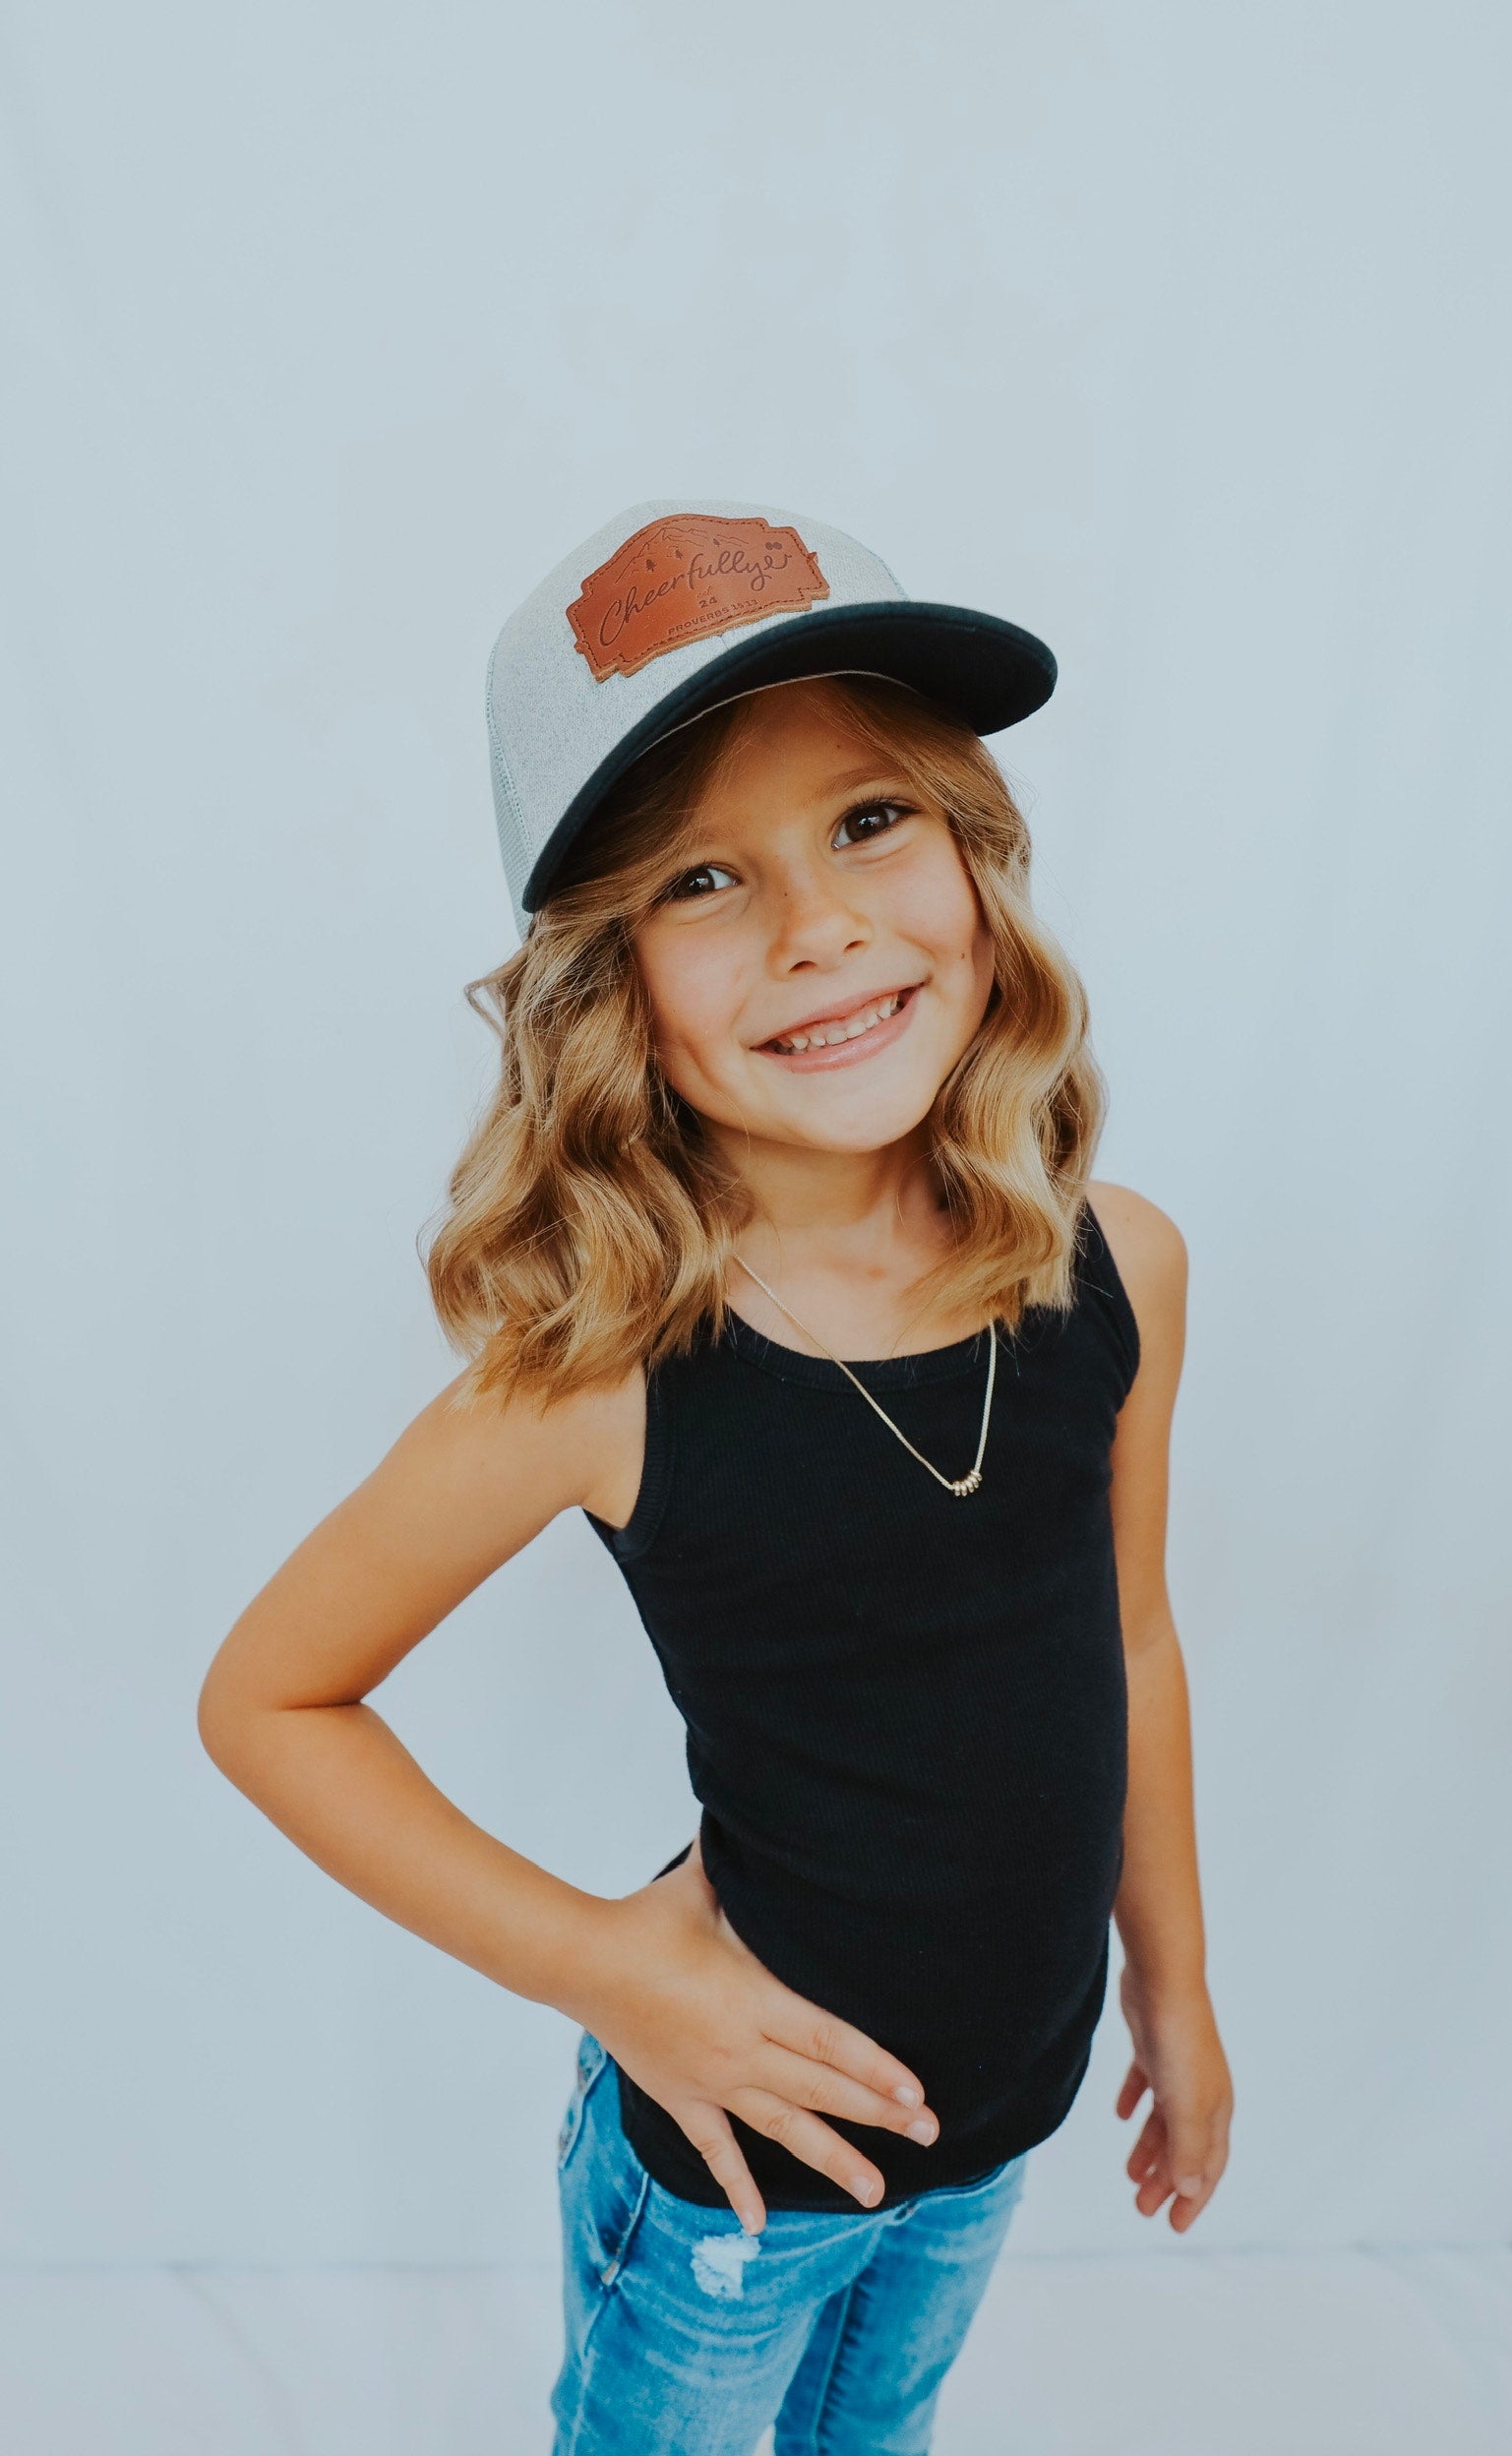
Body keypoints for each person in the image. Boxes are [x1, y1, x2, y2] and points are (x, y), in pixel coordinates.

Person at [199, 499, 1234, 2455]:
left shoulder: (1124, 1266)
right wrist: (606, 1969)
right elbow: (265, 1697)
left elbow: (1134, 1644)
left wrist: (1171, 1988)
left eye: (866, 824)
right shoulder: (602, 1381)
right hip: (729, 2179)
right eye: (701, 880)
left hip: (997, 2121)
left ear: (969, 856)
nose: (817, 925)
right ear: (615, 985)